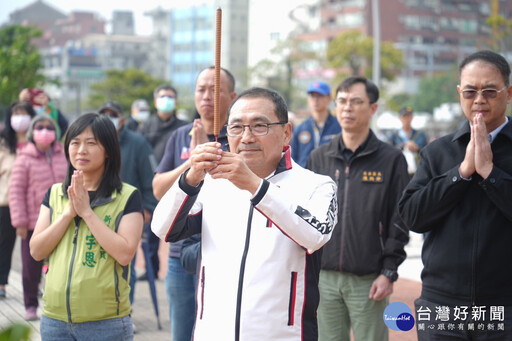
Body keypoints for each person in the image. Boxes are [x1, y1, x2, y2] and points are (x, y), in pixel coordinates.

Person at [151, 87, 338, 341]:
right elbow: (162, 227)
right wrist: (191, 176)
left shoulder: (316, 185)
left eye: (260, 126)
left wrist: (254, 185)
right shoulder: (212, 183)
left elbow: (315, 235)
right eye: (236, 127)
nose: (247, 137)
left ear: (286, 133)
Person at [399, 50, 512, 340]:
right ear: (460, 93)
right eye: (470, 91)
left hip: (504, 307)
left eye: (490, 91)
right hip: (442, 306)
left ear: (508, 93)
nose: (479, 100)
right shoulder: (438, 153)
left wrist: (490, 172)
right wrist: (460, 173)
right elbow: (413, 216)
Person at [307, 76, 410, 341]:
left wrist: (389, 271)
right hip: (324, 278)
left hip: (369, 279)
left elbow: (398, 219)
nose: (347, 108)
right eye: (342, 101)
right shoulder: (319, 157)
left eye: (356, 102)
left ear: (373, 108)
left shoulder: (391, 159)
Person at [29, 113, 143, 341]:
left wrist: (87, 213)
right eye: (75, 142)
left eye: (91, 143)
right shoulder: (54, 194)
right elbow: (36, 250)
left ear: (108, 149)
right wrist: (69, 214)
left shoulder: (127, 196)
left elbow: (124, 254)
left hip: (106, 324)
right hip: (54, 321)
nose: (81, 150)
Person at [151, 66, 237, 341]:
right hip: (179, 251)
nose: (206, 96)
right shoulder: (181, 135)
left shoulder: (240, 138)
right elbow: (158, 189)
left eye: (215, 89)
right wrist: (192, 160)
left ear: (232, 96)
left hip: (223, 250)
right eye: (201, 89)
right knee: (181, 331)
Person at [98, 100, 158, 305]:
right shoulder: (93, 140)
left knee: (126, 265)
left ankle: (125, 309)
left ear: (121, 119)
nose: (108, 119)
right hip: (97, 213)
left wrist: (148, 208)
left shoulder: (138, 143)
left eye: (112, 115)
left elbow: (151, 178)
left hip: (128, 214)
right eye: (103, 115)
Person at [9, 115, 67, 320]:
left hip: (62, 221)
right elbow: (15, 191)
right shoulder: (24, 158)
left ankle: (57, 303)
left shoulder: (63, 155)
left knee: (60, 265)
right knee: (30, 267)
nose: (45, 131)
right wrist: (20, 222)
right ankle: (31, 305)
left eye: (49, 127)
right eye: (40, 127)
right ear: (33, 132)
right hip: (33, 222)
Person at [137, 84, 188, 280]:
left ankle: (181, 266)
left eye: (170, 97)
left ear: (176, 102)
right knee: (150, 232)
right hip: (152, 185)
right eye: (163, 96)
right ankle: (152, 270)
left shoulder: (184, 128)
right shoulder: (147, 126)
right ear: (155, 101)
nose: (166, 100)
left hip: (179, 184)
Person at [0, 102, 36, 299]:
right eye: (16, 114)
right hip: (6, 201)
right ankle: (2, 283)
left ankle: (34, 284)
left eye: (24, 113)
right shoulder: (3, 142)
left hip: (32, 202)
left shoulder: (37, 141)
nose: (20, 117)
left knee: (33, 246)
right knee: (4, 243)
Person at [290, 81, 341, 167]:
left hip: (331, 177)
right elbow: (293, 159)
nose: (315, 99)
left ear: (329, 99)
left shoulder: (339, 126)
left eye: (320, 96)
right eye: (312, 96)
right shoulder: (300, 128)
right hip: (305, 177)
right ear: (308, 99)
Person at [389, 106, 427, 175]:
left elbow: (426, 151)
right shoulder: (394, 136)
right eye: (404, 116)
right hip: (399, 171)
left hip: (417, 172)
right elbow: (389, 151)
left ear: (412, 117)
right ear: (400, 118)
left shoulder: (420, 134)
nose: (406, 119)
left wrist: (417, 148)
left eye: (409, 116)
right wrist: (403, 146)